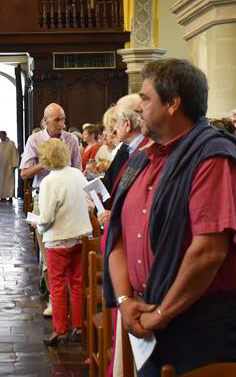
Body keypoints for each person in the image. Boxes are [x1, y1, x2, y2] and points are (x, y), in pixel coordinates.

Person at [104, 58, 236, 377]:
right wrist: (125, 301)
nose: (138, 107)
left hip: (203, 324)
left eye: (145, 98)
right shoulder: (143, 157)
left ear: (173, 103)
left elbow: (208, 251)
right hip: (150, 318)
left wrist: (161, 314)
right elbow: (117, 235)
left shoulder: (213, 157)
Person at [35, 138, 92, 346]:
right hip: (80, 235)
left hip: (58, 239)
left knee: (57, 286)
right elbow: (87, 202)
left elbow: (47, 216)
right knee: (76, 283)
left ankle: (60, 330)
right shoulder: (77, 174)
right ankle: (78, 326)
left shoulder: (49, 181)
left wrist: (38, 225)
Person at [20, 103, 82, 190]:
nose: (61, 124)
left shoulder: (71, 139)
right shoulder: (35, 140)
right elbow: (24, 174)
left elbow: (78, 171)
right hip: (42, 190)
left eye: (63, 119)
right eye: (57, 120)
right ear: (46, 120)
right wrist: (45, 164)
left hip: (66, 190)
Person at [102, 94, 145, 196]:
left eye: (116, 121)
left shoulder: (146, 150)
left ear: (127, 124)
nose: (114, 128)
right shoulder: (127, 148)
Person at [0, 130, 19, 200]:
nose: (0, 137)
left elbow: (14, 153)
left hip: (9, 166)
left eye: (1, 135)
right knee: (2, 182)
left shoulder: (11, 143)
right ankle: (3, 196)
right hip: (1, 167)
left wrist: (14, 164)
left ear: (5, 135)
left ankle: (10, 196)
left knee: (10, 182)